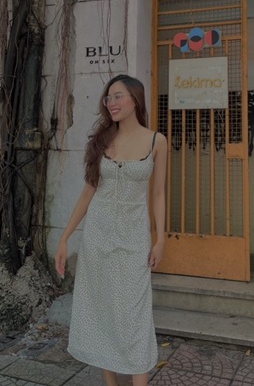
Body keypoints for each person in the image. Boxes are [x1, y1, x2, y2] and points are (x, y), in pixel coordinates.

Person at [55, 74, 167, 386]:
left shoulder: (157, 141)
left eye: (118, 96)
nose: (111, 103)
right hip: (98, 238)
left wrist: (160, 239)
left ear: (135, 99)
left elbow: (158, 194)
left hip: (134, 240)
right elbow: (88, 193)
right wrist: (64, 238)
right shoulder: (102, 142)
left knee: (134, 316)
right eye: (108, 97)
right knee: (102, 311)